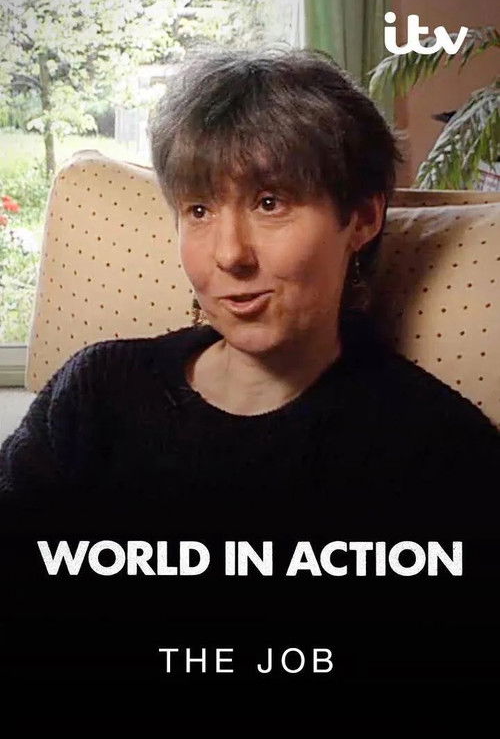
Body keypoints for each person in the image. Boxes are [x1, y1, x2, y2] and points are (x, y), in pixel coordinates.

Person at [0, 47, 499, 683]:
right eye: (199, 209)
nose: (230, 255)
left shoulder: (438, 450)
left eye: (269, 203)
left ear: (363, 218)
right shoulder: (96, 392)